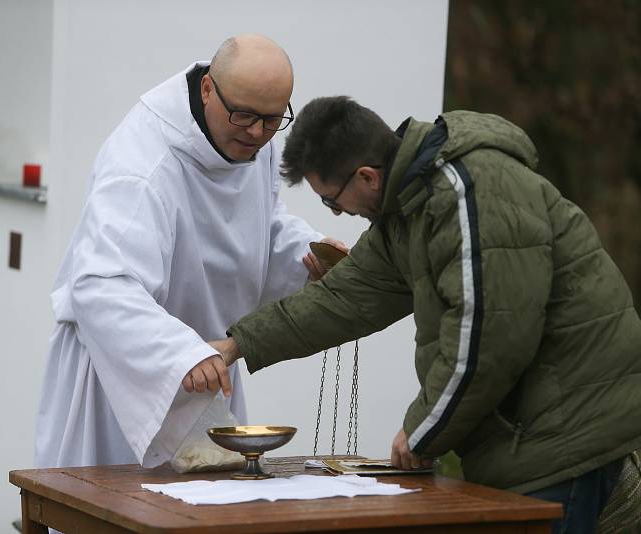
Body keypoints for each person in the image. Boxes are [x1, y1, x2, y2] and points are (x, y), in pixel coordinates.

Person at [208, 97, 641, 532]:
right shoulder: (408, 208)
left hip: (566, 438)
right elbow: (344, 297)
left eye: (333, 202)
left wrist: (423, 431)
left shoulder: (469, 194)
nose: (342, 214)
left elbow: (489, 338)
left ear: (367, 177)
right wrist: (236, 344)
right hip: (533, 434)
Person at [35, 35, 338, 470]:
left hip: (207, 364)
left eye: (273, 120)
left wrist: (308, 255)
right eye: (245, 116)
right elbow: (98, 285)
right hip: (128, 372)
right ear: (208, 90)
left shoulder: (255, 137)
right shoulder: (143, 166)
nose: (257, 133)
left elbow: (264, 224)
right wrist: (181, 353)